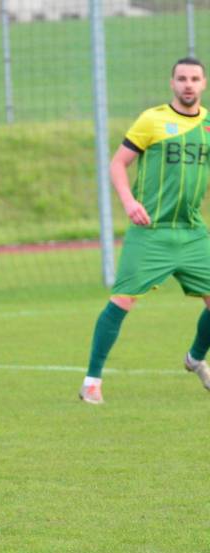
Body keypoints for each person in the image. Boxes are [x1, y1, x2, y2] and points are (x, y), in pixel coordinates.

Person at [80, 56, 210, 404]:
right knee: (122, 301)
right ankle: (91, 381)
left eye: (194, 78)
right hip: (151, 231)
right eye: (181, 78)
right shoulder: (152, 120)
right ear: (172, 83)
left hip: (192, 231)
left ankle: (195, 359)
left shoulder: (208, 124)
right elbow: (118, 164)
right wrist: (129, 202)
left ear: (203, 83)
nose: (187, 84)